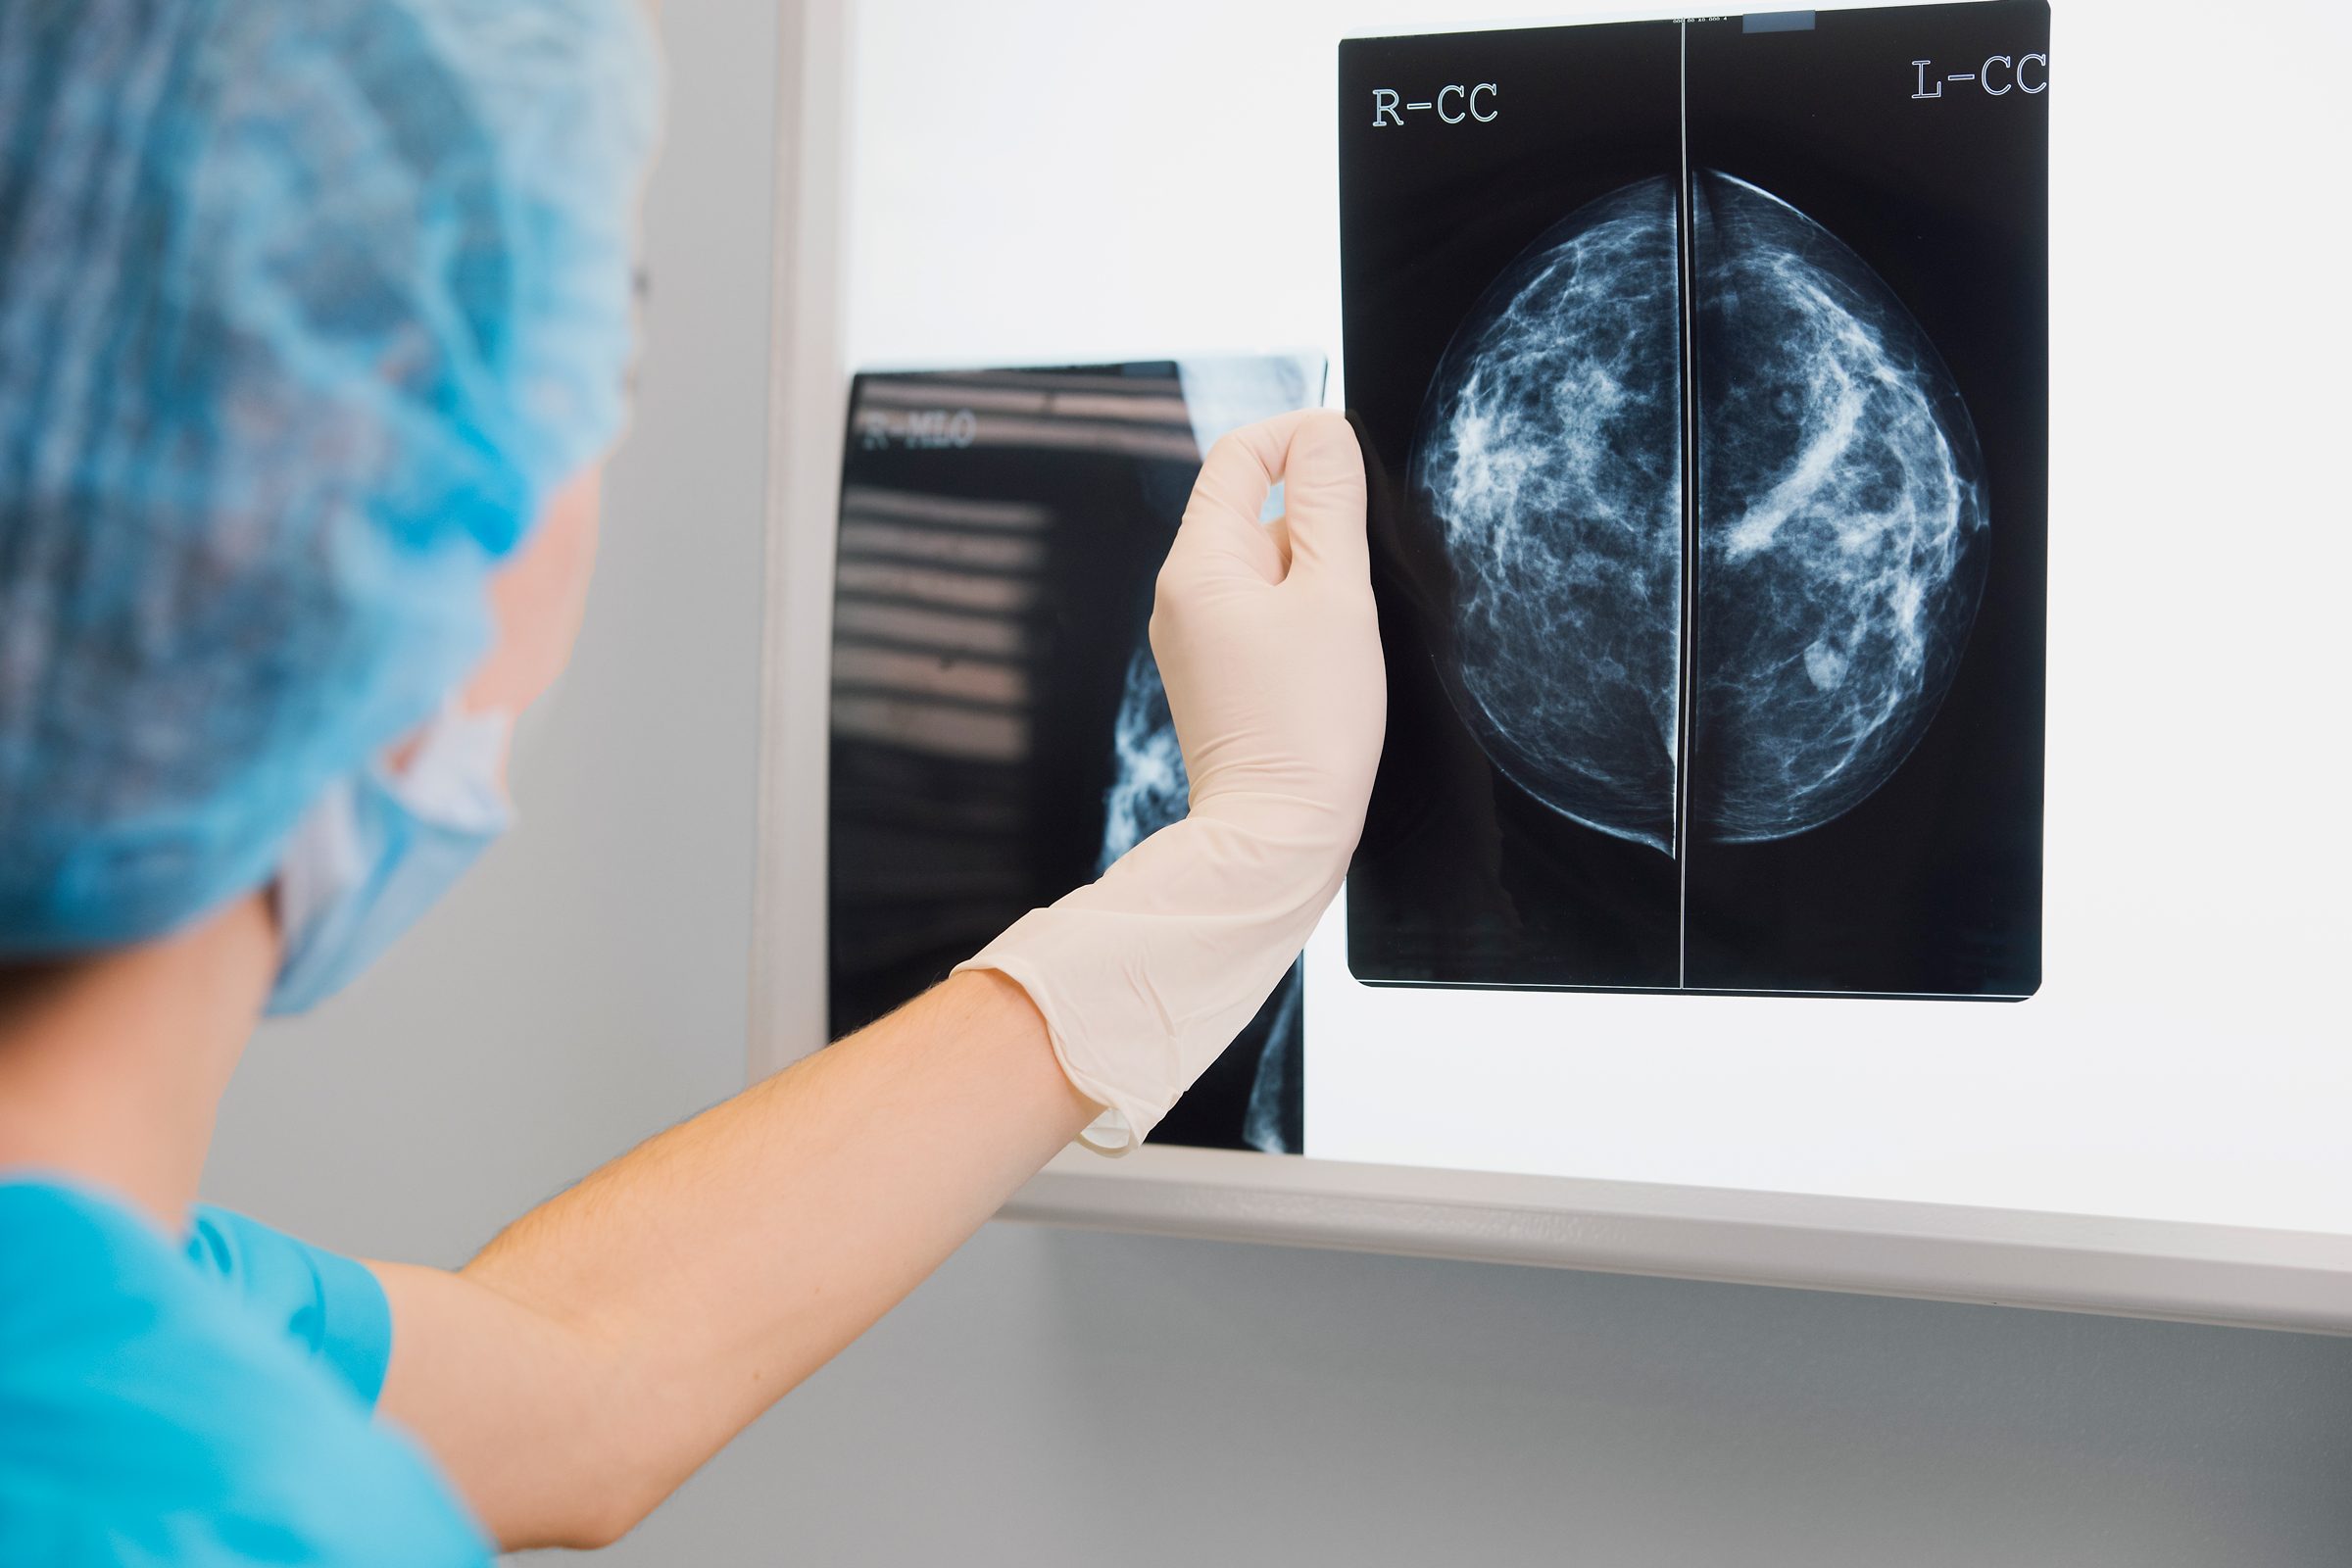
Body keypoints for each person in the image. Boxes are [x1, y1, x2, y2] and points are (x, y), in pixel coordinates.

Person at [0, 2, 1385, 1561]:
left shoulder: (100, 1315)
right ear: (367, 490)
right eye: (590, 373)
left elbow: (578, 1385)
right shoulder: (222, 1520)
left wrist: (1225, 872)